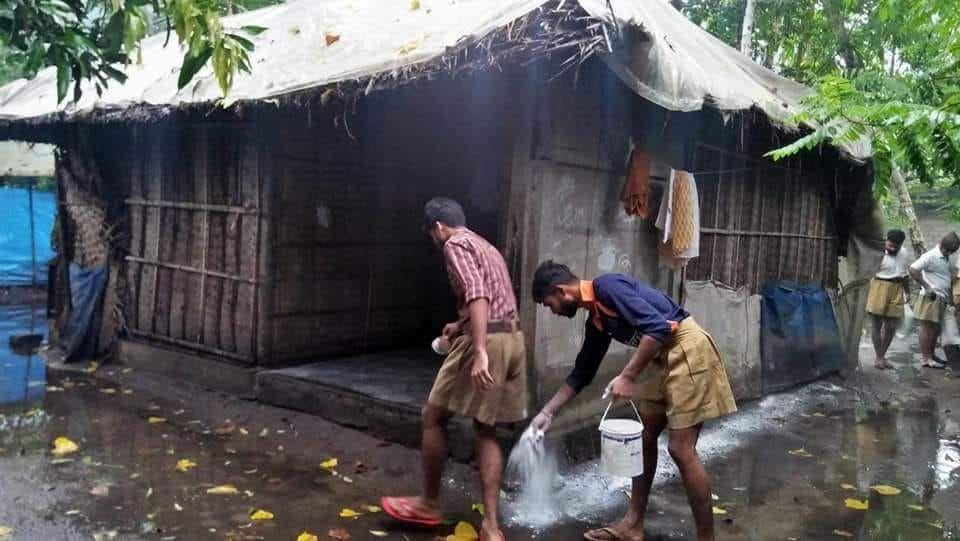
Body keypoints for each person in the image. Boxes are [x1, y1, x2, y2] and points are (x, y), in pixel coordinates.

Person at [528, 262, 737, 541]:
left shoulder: (607, 286)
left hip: (687, 348)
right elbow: (582, 372)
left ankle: (706, 538)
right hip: (661, 356)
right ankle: (633, 524)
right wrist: (547, 413)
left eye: (548, 303)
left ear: (561, 291)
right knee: (644, 438)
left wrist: (627, 376)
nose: (552, 310)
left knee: (681, 449)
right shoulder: (597, 320)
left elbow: (658, 328)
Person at [382, 197, 526, 541]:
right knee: (485, 429)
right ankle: (491, 527)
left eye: (432, 235)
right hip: (513, 339)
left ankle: (429, 503)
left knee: (433, 416)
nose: (435, 242)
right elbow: (495, 297)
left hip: (488, 342)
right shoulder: (486, 246)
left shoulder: (454, 244)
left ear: (438, 227)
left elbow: (478, 295)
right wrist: (459, 325)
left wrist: (477, 351)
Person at [908, 232, 960, 369]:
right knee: (927, 328)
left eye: (950, 251)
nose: (947, 252)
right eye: (946, 249)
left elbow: (947, 279)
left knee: (935, 329)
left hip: (941, 298)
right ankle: (926, 358)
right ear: (941, 244)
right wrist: (927, 286)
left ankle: (931, 355)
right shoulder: (930, 255)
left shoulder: (946, 257)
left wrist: (951, 302)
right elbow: (913, 269)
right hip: (930, 297)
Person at [865, 229, 911, 369]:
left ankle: (882, 356)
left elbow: (905, 274)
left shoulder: (904, 252)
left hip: (897, 287)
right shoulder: (877, 252)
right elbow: (867, 272)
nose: (891, 248)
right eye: (889, 245)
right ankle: (879, 357)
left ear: (901, 244)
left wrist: (907, 292)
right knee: (877, 325)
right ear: (886, 240)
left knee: (891, 327)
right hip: (879, 286)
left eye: (895, 246)